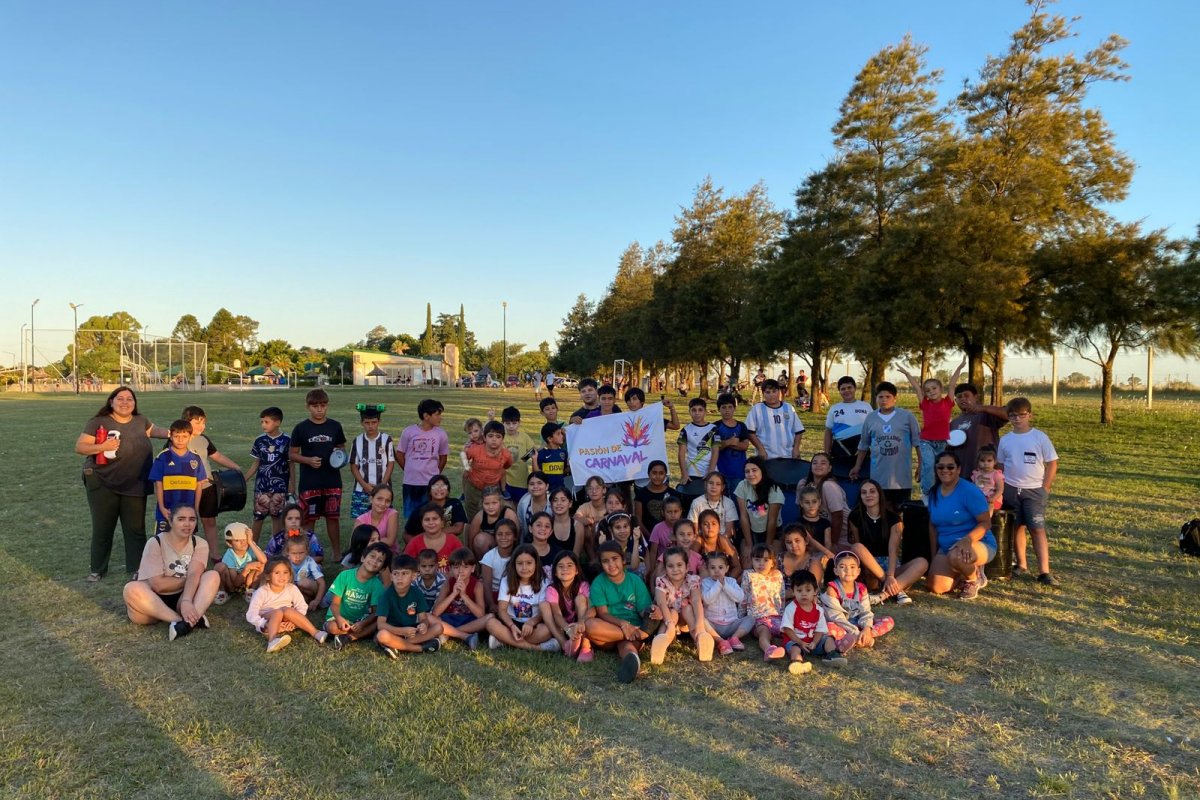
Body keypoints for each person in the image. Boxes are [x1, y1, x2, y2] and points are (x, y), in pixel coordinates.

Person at [77, 387, 168, 582]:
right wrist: (103, 446)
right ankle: (97, 569)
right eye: (120, 398)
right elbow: (81, 447)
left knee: (135, 529)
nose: (125, 402)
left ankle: (137, 568)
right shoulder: (98, 422)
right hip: (102, 482)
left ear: (135, 403)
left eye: (130, 399)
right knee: (103, 527)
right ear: (111, 401)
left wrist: (177, 432)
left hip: (135, 483)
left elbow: (156, 431)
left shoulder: (140, 420)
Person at [122, 504, 221, 640]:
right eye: (181, 519)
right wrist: (192, 579)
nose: (187, 524)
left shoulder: (200, 543)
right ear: (170, 521)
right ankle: (183, 621)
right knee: (131, 588)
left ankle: (187, 619)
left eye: (192, 519)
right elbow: (158, 584)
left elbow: (195, 573)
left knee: (212, 576)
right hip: (152, 601)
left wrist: (186, 599)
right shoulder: (155, 542)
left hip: (185, 596)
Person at [996, 397, 1060, 585]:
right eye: (1013, 416)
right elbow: (1000, 465)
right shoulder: (1006, 440)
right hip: (1011, 489)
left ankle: (1044, 571)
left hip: (1034, 490)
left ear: (1029, 415)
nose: (1017, 419)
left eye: (1021, 415)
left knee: (1037, 528)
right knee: (1016, 527)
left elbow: (1052, 463)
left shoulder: (1039, 437)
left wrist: (1045, 487)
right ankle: (1021, 564)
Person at [585, 541, 662, 683]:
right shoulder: (599, 583)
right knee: (590, 625)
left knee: (626, 646)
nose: (611, 564)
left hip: (632, 627)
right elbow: (603, 613)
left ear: (623, 560)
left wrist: (652, 611)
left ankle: (632, 661)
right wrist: (624, 625)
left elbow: (642, 609)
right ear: (601, 564)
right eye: (606, 561)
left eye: (615, 559)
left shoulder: (635, 581)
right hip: (610, 630)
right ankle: (638, 634)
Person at [925, 452, 995, 601]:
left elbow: (985, 522)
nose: (945, 470)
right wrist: (934, 556)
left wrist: (968, 540)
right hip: (947, 547)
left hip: (977, 543)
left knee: (957, 555)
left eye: (950, 467)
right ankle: (961, 572)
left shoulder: (969, 490)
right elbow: (932, 526)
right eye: (940, 467)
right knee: (936, 587)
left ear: (958, 469)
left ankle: (974, 579)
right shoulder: (933, 493)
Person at [288, 389, 347, 560]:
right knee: (308, 519)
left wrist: (339, 455)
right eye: (315, 406)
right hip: (310, 482)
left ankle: (336, 553)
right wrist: (308, 460)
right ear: (308, 407)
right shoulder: (301, 428)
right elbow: (292, 454)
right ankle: (306, 552)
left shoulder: (335, 426)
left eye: (323, 405)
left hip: (332, 480)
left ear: (327, 406)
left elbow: (341, 448)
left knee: (332, 517)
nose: (319, 409)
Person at [847, 480, 926, 606]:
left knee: (922, 562)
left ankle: (883, 595)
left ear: (879, 494)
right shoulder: (855, 516)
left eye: (872, 491)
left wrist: (890, 575)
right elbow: (858, 546)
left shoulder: (893, 518)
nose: (868, 495)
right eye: (864, 492)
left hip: (891, 565)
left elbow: (893, 550)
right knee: (856, 547)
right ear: (860, 496)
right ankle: (895, 589)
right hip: (869, 565)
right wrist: (886, 578)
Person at [897, 359, 966, 495]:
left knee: (941, 468)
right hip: (926, 441)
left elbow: (952, 384)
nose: (931, 391)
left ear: (941, 389)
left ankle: (941, 492)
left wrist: (960, 367)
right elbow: (916, 387)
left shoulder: (948, 402)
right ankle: (927, 493)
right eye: (927, 390)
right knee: (928, 465)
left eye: (934, 388)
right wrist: (907, 373)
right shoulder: (925, 403)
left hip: (942, 442)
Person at [181, 405, 242, 558]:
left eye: (203, 422)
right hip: (187, 489)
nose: (201, 426)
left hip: (207, 486)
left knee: (209, 521)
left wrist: (235, 466)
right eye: (197, 422)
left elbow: (217, 456)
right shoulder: (179, 439)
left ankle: (215, 554)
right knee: (187, 523)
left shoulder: (204, 440)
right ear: (186, 422)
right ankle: (186, 555)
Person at [850, 382, 922, 512]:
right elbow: (864, 445)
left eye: (888, 397)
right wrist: (857, 466)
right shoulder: (871, 418)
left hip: (901, 477)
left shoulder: (907, 417)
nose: (884, 400)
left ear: (895, 398)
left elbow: (917, 442)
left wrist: (921, 464)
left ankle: (899, 532)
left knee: (900, 512)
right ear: (876, 398)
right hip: (878, 476)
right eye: (880, 397)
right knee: (881, 512)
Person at [648, 547, 716, 664]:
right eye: (671, 566)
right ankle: (662, 641)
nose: (675, 569)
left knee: (688, 608)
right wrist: (669, 624)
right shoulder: (662, 581)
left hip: (686, 619)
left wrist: (700, 625)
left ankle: (700, 638)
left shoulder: (692, 580)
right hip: (668, 617)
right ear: (665, 568)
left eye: (679, 565)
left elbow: (696, 601)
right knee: (672, 613)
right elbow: (661, 603)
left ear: (687, 567)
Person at [246, 557, 329, 653]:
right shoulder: (261, 592)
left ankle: (316, 633)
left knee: (287, 610)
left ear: (290, 575)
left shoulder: (292, 588)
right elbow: (251, 614)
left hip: (286, 617)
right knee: (278, 612)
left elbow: (302, 606)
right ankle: (272, 640)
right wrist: (264, 623)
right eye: (277, 573)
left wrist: (294, 621)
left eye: (285, 572)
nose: (282, 576)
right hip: (267, 621)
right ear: (268, 576)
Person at [485, 545, 555, 651]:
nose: (524, 568)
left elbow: (543, 612)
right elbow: (502, 610)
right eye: (520, 563)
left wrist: (531, 623)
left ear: (536, 563)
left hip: (533, 624)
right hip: (511, 622)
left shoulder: (544, 582)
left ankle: (504, 641)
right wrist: (512, 626)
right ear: (514, 565)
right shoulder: (506, 580)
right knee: (491, 623)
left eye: (529, 563)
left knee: (547, 630)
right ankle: (536, 648)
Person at [375, 554, 445, 657]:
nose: (400, 578)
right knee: (382, 635)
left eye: (405, 573)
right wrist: (402, 631)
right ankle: (420, 648)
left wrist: (424, 625)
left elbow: (423, 618)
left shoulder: (416, 593)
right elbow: (380, 625)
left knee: (439, 627)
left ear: (413, 576)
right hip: (393, 631)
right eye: (396, 574)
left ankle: (395, 646)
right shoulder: (386, 596)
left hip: (412, 633)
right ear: (391, 577)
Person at [822, 551, 893, 651]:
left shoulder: (861, 589)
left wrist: (867, 628)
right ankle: (856, 639)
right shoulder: (832, 590)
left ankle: (863, 637)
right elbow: (836, 617)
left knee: (888, 621)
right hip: (841, 625)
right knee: (828, 627)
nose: (848, 570)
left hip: (858, 624)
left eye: (852, 567)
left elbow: (865, 612)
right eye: (842, 567)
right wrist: (855, 632)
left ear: (858, 571)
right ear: (836, 571)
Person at [325, 542, 390, 649]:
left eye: (380, 560)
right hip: (338, 616)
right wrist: (339, 618)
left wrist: (363, 623)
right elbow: (335, 603)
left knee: (377, 623)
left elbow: (375, 612)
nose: (374, 561)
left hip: (359, 620)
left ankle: (350, 637)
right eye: (372, 556)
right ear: (363, 558)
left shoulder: (377, 585)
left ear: (382, 568)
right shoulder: (345, 576)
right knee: (332, 627)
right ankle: (352, 635)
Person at [149, 419, 207, 534]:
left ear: (190, 437)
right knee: (164, 544)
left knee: (186, 546)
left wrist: (196, 508)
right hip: (167, 511)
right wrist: (162, 507)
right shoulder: (163, 457)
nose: (180, 440)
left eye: (184, 436)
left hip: (188, 513)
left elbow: (198, 485)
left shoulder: (195, 458)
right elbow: (158, 484)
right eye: (177, 436)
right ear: (170, 436)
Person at [781, 571, 846, 673]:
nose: (803, 594)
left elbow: (820, 630)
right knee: (795, 648)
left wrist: (815, 643)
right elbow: (787, 629)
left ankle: (833, 656)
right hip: (796, 641)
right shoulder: (791, 608)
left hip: (812, 643)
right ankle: (797, 663)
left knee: (828, 638)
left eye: (808, 590)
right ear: (793, 592)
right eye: (799, 590)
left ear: (815, 591)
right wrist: (800, 642)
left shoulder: (819, 610)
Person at [397, 399, 450, 519]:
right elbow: (399, 454)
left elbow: (443, 457)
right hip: (411, 482)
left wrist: (435, 474)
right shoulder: (408, 432)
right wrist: (410, 469)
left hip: (430, 483)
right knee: (412, 516)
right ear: (426, 416)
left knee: (431, 515)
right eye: (437, 414)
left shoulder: (441, 434)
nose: (440, 417)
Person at [245, 406, 291, 541]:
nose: (263, 425)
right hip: (262, 486)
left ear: (277, 422)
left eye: (266, 422)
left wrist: (292, 485)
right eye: (262, 422)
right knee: (258, 517)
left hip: (280, 486)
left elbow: (291, 464)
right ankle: (252, 547)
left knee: (277, 517)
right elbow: (257, 463)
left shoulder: (287, 440)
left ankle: (275, 547)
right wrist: (245, 478)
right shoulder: (260, 441)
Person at [432, 547, 493, 648]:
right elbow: (436, 612)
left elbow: (481, 615)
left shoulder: (477, 585)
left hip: (469, 621)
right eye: (456, 567)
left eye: (465, 567)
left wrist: (464, 595)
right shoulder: (447, 584)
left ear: (472, 568)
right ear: (450, 569)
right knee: (428, 617)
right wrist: (453, 594)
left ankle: (449, 633)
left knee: (490, 617)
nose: (460, 571)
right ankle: (462, 635)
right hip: (449, 619)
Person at [540, 550, 593, 661]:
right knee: (544, 605)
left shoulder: (583, 585)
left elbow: (591, 608)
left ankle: (584, 644)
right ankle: (563, 644)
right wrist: (567, 630)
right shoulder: (552, 589)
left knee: (580, 599)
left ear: (577, 570)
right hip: (562, 627)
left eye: (570, 565)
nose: (565, 569)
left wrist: (581, 622)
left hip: (580, 624)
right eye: (560, 566)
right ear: (555, 572)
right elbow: (557, 614)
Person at [947, 382, 1009, 475]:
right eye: (959, 397)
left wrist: (982, 408)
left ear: (976, 397)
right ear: (956, 401)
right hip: (963, 474)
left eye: (967, 395)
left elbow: (1007, 413)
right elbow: (949, 449)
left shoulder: (986, 414)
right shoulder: (954, 423)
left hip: (987, 474)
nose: (963, 399)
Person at [348, 404, 394, 519]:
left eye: (374, 422)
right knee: (361, 520)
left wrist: (382, 485)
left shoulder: (386, 439)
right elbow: (354, 466)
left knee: (384, 520)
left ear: (379, 422)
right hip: (361, 489)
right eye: (367, 423)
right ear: (361, 423)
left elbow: (390, 463)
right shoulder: (357, 441)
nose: (370, 426)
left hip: (383, 488)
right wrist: (365, 485)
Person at [741, 545, 786, 660]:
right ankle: (769, 650)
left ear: (773, 562)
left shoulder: (777, 575)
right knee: (764, 633)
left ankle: (796, 648)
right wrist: (740, 620)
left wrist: (783, 615)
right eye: (757, 560)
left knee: (789, 630)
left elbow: (782, 596)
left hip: (777, 617)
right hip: (757, 618)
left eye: (766, 560)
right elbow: (743, 598)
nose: (761, 563)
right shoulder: (748, 575)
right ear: (751, 560)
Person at [734, 456, 785, 558]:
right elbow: (743, 516)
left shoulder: (774, 489)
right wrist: (749, 544)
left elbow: (772, 520)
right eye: (747, 471)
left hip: (772, 532)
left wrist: (767, 545)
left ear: (762, 471)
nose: (751, 474)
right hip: (750, 530)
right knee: (747, 562)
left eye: (754, 470)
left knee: (769, 561)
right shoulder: (742, 486)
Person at [461, 421, 512, 520]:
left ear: (502, 439)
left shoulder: (506, 454)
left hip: (492, 489)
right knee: (472, 518)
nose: (494, 440)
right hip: (473, 488)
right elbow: (464, 456)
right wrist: (466, 464)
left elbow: (507, 465)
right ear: (484, 437)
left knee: (491, 517)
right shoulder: (474, 449)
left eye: (498, 437)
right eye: (490, 436)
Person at [700, 551, 750, 651]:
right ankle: (720, 641)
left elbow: (740, 597)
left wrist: (725, 585)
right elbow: (707, 600)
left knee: (751, 619)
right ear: (707, 569)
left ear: (727, 568)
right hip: (713, 625)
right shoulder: (705, 583)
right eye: (712, 568)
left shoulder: (731, 581)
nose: (717, 571)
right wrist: (718, 585)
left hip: (732, 624)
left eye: (720, 567)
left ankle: (734, 638)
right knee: (701, 620)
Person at [799, 452, 849, 549]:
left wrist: (833, 543)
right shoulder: (803, 484)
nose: (818, 465)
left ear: (829, 468)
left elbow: (838, 516)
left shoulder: (828, 486)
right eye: (815, 463)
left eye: (823, 463)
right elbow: (801, 511)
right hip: (819, 531)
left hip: (840, 535)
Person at [745, 379, 805, 460]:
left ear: (779, 392)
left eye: (774, 391)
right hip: (767, 457)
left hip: (788, 456)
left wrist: (796, 448)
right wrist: (761, 450)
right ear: (763, 393)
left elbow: (798, 430)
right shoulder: (757, 409)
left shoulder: (788, 408)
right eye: (768, 392)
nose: (771, 395)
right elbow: (749, 432)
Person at [823, 377, 872, 472]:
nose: (847, 391)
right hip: (840, 450)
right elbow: (828, 432)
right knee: (840, 479)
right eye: (843, 389)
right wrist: (826, 453)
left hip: (862, 451)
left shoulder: (866, 406)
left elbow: (873, 430)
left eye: (849, 387)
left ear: (855, 388)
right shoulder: (834, 408)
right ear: (839, 391)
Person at [403, 474, 468, 543]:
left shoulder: (455, 503)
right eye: (435, 486)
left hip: (446, 542)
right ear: (429, 491)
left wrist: (433, 533)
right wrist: (418, 545)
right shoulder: (421, 509)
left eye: (443, 486)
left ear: (448, 491)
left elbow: (458, 528)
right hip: (424, 543)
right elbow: (406, 534)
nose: (439, 489)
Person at [404, 503, 465, 574]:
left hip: (450, 582)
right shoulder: (415, 542)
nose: (431, 522)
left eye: (435, 519)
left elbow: (463, 564)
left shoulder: (453, 541)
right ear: (422, 523)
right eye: (427, 519)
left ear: (442, 521)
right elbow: (405, 566)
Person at [213, 521, 266, 603]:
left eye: (245, 539)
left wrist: (251, 542)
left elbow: (264, 560)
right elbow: (236, 583)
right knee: (219, 566)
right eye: (237, 540)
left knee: (261, 564)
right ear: (229, 544)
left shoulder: (251, 546)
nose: (243, 542)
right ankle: (223, 592)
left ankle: (251, 590)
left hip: (248, 582)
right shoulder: (230, 555)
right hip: (233, 585)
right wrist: (246, 568)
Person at [467, 485, 519, 559]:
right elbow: (471, 540)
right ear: (482, 503)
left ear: (500, 502)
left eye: (494, 503)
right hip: (488, 547)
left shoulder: (509, 514)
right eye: (487, 504)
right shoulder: (480, 516)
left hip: (506, 546)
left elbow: (516, 538)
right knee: (479, 539)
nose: (490, 507)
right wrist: (471, 558)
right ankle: (483, 563)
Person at [712, 393, 751, 491]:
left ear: (734, 408)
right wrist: (729, 442)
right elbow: (714, 448)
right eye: (724, 407)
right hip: (720, 471)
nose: (727, 410)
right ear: (719, 409)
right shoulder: (714, 427)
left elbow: (745, 446)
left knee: (737, 500)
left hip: (738, 471)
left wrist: (725, 443)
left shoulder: (741, 426)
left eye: (730, 407)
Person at [501, 406, 537, 504]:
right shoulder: (501, 437)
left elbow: (534, 450)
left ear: (519, 423)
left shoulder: (524, 437)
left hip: (522, 481)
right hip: (506, 481)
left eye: (514, 423)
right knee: (507, 506)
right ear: (502, 423)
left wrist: (523, 459)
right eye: (508, 423)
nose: (511, 426)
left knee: (521, 505)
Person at [686, 473, 738, 541]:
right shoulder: (697, 502)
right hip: (702, 539)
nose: (714, 486)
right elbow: (695, 529)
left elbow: (729, 531)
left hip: (723, 539)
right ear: (705, 485)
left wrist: (717, 542)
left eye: (718, 484)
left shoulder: (729, 503)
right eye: (711, 483)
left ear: (722, 487)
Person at [677, 398, 717, 486]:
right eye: (694, 410)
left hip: (710, 471)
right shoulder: (685, 430)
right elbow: (681, 453)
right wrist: (684, 473)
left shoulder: (713, 428)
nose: (697, 413)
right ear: (689, 412)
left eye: (700, 410)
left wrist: (710, 472)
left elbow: (715, 452)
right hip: (692, 471)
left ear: (705, 412)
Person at [481, 519, 517, 613]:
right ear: (495, 537)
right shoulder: (489, 556)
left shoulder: (519, 555)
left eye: (508, 534)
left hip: (513, 593)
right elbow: (487, 584)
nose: (503, 537)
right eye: (499, 534)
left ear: (515, 537)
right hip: (493, 594)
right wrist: (491, 604)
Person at [695, 509, 742, 579]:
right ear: (700, 527)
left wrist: (726, 582)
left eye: (713, 524)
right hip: (706, 580)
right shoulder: (698, 541)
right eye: (705, 524)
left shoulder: (723, 540)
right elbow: (691, 566)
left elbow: (737, 567)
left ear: (719, 526)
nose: (710, 527)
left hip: (725, 577)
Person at [285, 535, 325, 611]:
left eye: (301, 553)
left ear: (306, 551)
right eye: (294, 553)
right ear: (288, 552)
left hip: (310, 587)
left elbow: (321, 583)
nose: (298, 556)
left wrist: (317, 600)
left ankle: (315, 600)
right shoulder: (285, 563)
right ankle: (305, 602)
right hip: (296, 591)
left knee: (303, 582)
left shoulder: (309, 561)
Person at [354, 485, 400, 552]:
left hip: (387, 553)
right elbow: (355, 542)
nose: (383, 503)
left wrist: (367, 541)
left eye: (387, 501)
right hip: (366, 553)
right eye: (379, 499)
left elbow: (390, 541)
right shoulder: (361, 519)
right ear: (371, 499)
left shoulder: (392, 514)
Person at [646, 495, 684, 570]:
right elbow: (653, 552)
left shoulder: (685, 527)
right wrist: (652, 570)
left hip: (681, 562)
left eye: (676, 511)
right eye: (669, 512)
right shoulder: (658, 528)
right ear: (663, 513)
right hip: (663, 563)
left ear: (681, 511)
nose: (673, 515)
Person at [531, 422, 569, 492]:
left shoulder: (563, 452)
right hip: (546, 492)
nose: (562, 436)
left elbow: (564, 470)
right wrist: (534, 459)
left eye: (561, 433)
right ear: (550, 439)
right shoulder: (541, 454)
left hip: (560, 490)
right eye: (558, 434)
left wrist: (572, 465)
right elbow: (537, 474)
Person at [548, 487, 584, 557]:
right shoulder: (547, 524)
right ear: (551, 505)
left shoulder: (577, 526)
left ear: (570, 503)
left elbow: (576, 554)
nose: (559, 503)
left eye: (563, 500)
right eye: (555, 500)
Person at [515, 472, 551, 541]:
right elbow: (521, 525)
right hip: (528, 543)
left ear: (547, 486)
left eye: (539, 483)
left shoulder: (553, 502)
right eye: (532, 484)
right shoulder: (523, 502)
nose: (535, 486)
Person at [971, 445, 1005, 514]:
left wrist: (993, 498)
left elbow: (1000, 489)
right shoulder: (976, 474)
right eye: (982, 461)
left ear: (995, 462)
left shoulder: (996, 474)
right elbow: (972, 488)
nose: (986, 463)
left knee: (988, 506)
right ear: (978, 461)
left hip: (993, 499)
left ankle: (986, 522)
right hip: (979, 498)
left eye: (989, 461)